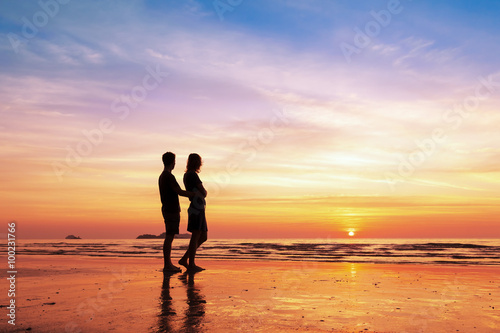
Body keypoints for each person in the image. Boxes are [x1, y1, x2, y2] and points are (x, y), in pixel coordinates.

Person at [158, 152, 194, 273]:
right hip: (171, 209)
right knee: (169, 236)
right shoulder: (168, 176)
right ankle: (167, 265)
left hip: (167, 208)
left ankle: (168, 264)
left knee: (170, 236)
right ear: (173, 162)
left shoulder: (162, 176)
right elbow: (179, 191)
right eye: (174, 161)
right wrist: (194, 194)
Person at [179, 153, 208, 272]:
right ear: (197, 163)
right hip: (197, 207)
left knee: (203, 236)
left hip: (197, 207)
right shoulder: (192, 175)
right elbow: (204, 192)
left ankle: (185, 259)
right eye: (199, 161)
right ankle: (191, 264)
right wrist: (204, 192)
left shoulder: (187, 175)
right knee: (196, 236)